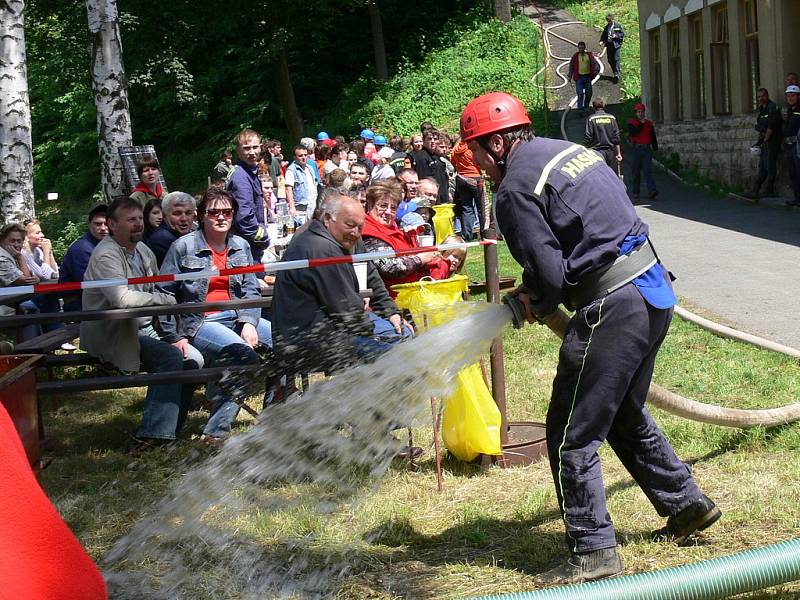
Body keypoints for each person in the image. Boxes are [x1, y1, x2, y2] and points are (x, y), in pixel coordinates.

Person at [460, 91, 720, 584]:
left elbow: (552, 278)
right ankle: (686, 505)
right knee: (622, 411)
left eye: (474, 150)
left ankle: (595, 551)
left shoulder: (515, 188)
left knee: (570, 435)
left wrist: (532, 295)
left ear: (496, 144)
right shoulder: (565, 151)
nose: (475, 162)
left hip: (613, 308)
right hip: (651, 290)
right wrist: (543, 286)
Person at [80, 196, 203, 450]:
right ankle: (153, 436)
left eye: (139, 219)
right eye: (130, 220)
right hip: (115, 333)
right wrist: (162, 300)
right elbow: (121, 298)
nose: (138, 225)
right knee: (170, 359)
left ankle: (170, 427)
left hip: (146, 328)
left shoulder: (142, 250)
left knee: (195, 361)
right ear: (113, 225)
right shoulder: (106, 254)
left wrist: (173, 330)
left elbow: (160, 286)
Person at [159, 188, 272, 445]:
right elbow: (163, 294)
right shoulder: (182, 247)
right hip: (201, 321)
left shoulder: (241, 245)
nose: (221, 217)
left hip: (236, 315)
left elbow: (251, 289)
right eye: (214, 212)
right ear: (202, 216)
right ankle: (215, 432)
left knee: (286, 344)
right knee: (243, 357)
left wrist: (248, 321)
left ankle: (276, 413)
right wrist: (173, 337)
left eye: (227, 212)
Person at [272, 194, 412, 376]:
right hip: (308, 342)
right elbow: (346, 310)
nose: (355, 232)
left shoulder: (334, 241)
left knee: (401, 334)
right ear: (328, 219)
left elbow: (370, 277)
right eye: (349, 225)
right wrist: (372, 332)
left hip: (321, 334)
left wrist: (391, 312)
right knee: (398, 357)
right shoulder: (322, 248)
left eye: (359, 227)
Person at [360, 180, 446, 295]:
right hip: (393, 301)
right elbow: (390, 267)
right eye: (383, 206)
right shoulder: (368, 232)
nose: (388, 212)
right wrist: (421, 258)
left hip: (415, 295)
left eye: (393, 208)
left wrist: (412, 240)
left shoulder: (394, 229)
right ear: (370, 205)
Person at [227, 129, 270, 262]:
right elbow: (244, 217)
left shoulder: (250, 172)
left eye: (255, 147)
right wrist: (262, 238)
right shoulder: (241, 177)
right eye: (246, 148)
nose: (252, 152)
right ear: (238, 150)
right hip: (247, 246)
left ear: (260, 147)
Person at [59, 203, 109, 311]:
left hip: (97, 301)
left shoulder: (106, 245)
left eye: (106, 224)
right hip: (80, 305)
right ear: (89, 224)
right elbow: (88, 285)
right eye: (98, 224)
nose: (103, 228)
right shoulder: (82, 249)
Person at [745, 88, 782, 200]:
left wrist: (765, 139)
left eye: (763, 96)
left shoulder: (772, 107)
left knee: (769, 166)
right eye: (759, 96)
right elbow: (761, 126)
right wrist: (760, 142)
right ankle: (755, 190)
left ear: (767, 96)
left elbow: (771, 126)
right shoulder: (762, 109)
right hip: (765, 140)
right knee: (763, 166)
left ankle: (769, 190)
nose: (761, 98)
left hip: (771, 141)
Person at [145, 191, 197, 267]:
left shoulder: (187, 234)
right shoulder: (162, 239)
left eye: (188, 213)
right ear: (165, 215)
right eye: (177, 213)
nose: (184, 218)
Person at [450, 138, 484, 240]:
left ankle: (467, 235)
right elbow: (478, 163)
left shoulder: (455, 150)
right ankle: (485, 232)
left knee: (467, 208)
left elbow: (453, 163)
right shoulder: (471, 149)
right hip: (475, 178)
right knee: (481, 207)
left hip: (461, 179)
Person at [627, 102, 659, 200]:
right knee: (636, 172)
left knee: (647, 170)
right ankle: (636, 192)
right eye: (639, 112)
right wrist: (641, 124)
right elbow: (634, 133)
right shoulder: (632, 123)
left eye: (642, 112)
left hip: (646, 149)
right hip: (636, 149)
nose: (641, 114)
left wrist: (655, 147)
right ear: (636, 113)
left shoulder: (649, 123)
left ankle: (652, 190)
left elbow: (653, 136)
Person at [285, 144, 321, 226]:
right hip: (300, 209)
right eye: (300, 156)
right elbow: (288, 189)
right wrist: (292, 207)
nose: (304, 157)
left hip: (312, 205)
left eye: (305, 155)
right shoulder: (291, 170)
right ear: (294, 157)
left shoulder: (310, 168)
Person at [584, 99, 622, 169]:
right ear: (604, 106)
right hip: (609, 152)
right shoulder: (611, 118)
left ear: (593, 107)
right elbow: (616, 137)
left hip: (596, 152)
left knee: (599, 172)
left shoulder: (591, 119)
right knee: (608, 171)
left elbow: (588, 137)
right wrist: (618, 153)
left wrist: (585, 150)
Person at [782, 85, 800, 206]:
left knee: (799, 172)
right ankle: (797, 198)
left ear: (798, 96)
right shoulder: (787, 110)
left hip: (797, 145)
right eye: (788, 96)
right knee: (792, 172)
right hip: (788, 145)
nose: (790, 98)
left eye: (793, 96)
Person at [569, 42, 598, 112]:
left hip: (587, 77)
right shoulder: (575, 56)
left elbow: (595, 63)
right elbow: (571, 66)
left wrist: (595, 72)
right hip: (579, 78)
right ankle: (580, 109)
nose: (581, 49)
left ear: (584, 48)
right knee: (580, 94)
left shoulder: (589, 55)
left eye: (582, 48)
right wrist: (570, 75)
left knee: (589, 93)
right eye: (579, 48)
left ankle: (586, 106)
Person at [600, 14, 625, 83]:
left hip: (616, 45)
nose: (609, 22)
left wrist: (616, 35)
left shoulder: (618, 26)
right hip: (609, 45)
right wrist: (601, 41)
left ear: (613, 19)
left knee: (616, 59)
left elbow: (622, 34)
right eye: (607, 21)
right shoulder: (606, 27)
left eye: (610, 20)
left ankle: (617, 75)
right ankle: (615, 72)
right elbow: (604, 35)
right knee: (610, 60)